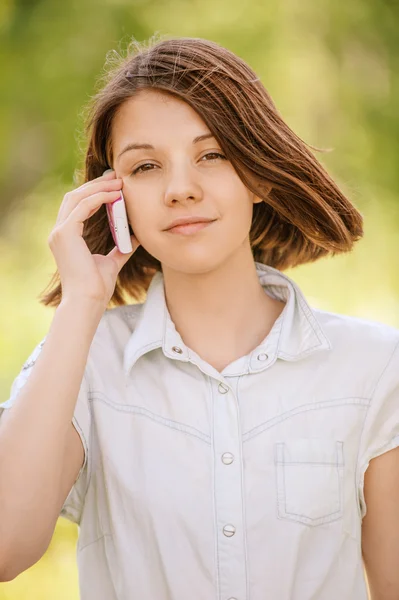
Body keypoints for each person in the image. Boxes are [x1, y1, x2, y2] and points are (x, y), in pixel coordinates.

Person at [0, 35, 398, 600]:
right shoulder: (79, 366)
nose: (181, 189)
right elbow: (6, 546)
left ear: (258, 173)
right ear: (115, 199)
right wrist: (81, 302)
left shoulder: (375, 368)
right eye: (145, 167)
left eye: (212, 155)